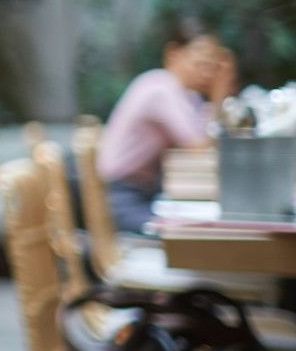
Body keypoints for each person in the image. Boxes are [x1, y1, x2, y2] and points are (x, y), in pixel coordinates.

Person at [98, 17, 236, 233]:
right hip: (120, 198)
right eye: (200, 63)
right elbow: (199, 146)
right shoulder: (161, 88)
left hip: (142, 194)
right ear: (173, 54)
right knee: (184, 236)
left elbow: (206, 135)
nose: (207, 73)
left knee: (197, 229)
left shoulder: (186, 96)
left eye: (212, 66)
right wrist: (219, 94)